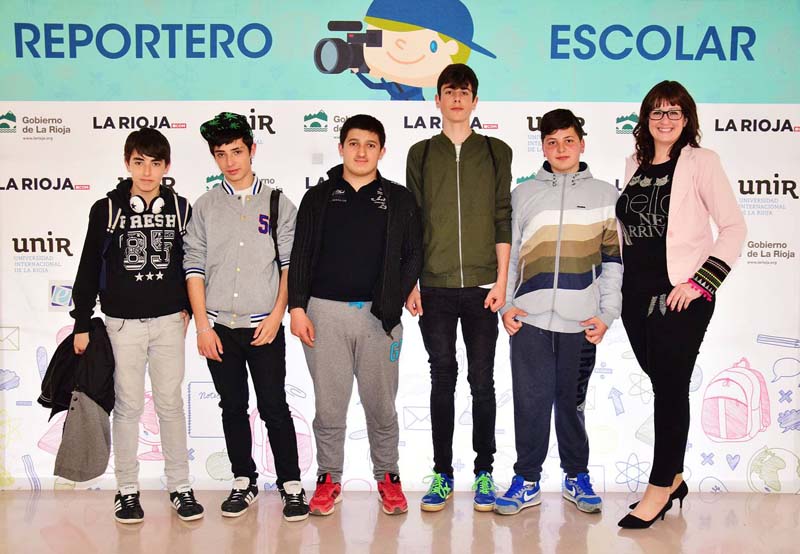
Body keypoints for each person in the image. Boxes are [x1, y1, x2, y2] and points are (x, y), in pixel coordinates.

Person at [616, 81, 746, 529]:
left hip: (680, 298)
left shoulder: (701, 162)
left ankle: (658, 489)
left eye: (674, 112)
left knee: (670, 390)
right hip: (634, 297)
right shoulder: (633, 163)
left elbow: (733, 227)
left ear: (687, 118)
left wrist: (700, 283)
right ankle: (674, 478)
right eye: (657, 112)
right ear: (645, 119)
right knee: (664, 386)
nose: (665, 119)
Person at [288, 114, 422, 516]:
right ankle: (328, 478)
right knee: (330, 406)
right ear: (341, 147)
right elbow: (300, 254)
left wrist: (394, 298)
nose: (361, 152)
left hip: (379, 318)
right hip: (323, 314)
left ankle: (388, 476)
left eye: (370, 145)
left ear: (382, 151)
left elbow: (414, 254)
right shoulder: (319, 197)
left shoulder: (399, 199)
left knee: (381, 405)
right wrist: (297, 307)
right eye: (353, 143)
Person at [492, 109, 622, 516]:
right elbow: (510, 256)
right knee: (530, 403)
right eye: (552, 142)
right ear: (543, 147)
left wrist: (608, 313)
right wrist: (507, 305)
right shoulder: (523, 194)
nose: (560, 149)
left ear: (581, 143)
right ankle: (527, 480)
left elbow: (613, 260)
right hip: (528, 320)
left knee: (571, 403)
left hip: (580, 322)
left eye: (568, 140)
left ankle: (576, 476)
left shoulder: (606, 195)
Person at [70, 128, 203, 523]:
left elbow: (193, 263)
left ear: (167, 166)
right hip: (121, 324)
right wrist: (81, 320)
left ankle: (180, 486)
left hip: (168, 322)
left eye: (155, 163)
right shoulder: (107, 209)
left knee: (170, 405)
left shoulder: (181, 208)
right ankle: (126, 489)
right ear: (127, 163)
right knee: (127, 406)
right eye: (139, 162)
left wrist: (188, 309)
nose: (147, 172)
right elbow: (89, 265)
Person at [183, 112, 309, 521]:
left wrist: (276, 316)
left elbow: (290, 266)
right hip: (219, 328)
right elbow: (193, 267)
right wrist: (203, 327)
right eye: (221, 154)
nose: (230, 161)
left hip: (264, 327)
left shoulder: (278, 203)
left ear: (252, 150)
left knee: (274, 406)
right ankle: (243, 480)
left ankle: (291, 484)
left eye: (236, 151)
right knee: (232, 406)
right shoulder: (204, 206)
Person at [405, 63, 512, 512]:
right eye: (449, 91)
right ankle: (443, 474)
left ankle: (485, 472)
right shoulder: (421, 153)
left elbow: (503, 217)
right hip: (434, 287)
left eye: (464, 92)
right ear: (437, 100)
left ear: (474, 100)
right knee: (442, 378)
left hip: (484, 287)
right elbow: (412, 222)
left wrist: (502, 280)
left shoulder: (496, 152)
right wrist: (411, 281)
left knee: (482, 381)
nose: (456, 99)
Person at [352, 0, 495, 100]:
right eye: (380, 38)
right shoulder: (393, 84)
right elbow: (372, 85)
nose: (401, 46)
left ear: (452, 48)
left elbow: (406, 94)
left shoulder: (411, 86)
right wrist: (358, 72)